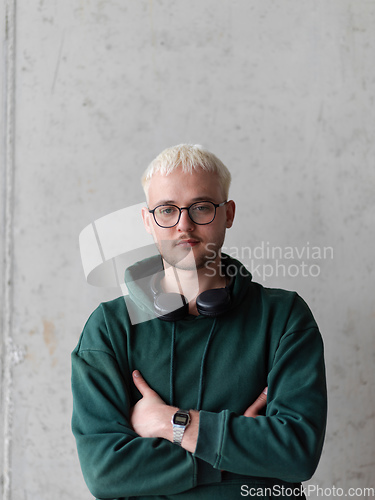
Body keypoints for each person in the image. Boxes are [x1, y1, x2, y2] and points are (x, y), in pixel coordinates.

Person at [71, 144, 327, 499]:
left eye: (202, 207)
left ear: (228, 214)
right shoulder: (109, 328)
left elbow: (297, 454)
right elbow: (105, 472)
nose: (184, 224)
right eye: (166, 210)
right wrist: (234, 454)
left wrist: (169, 424)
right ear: (148, 221)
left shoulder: (284, 316)